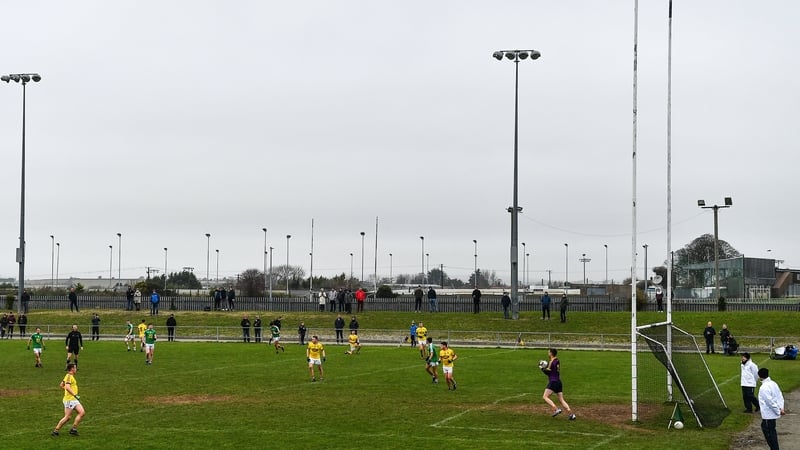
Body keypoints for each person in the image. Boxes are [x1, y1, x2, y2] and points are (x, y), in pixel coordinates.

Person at [541, 348, 576, 420]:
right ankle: (572, 414)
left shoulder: (551, 362)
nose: (548, 353)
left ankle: (556, 409)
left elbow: (548, 372)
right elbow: (552, 371)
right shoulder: (557, 360)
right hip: (559, 382)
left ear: (551, 353)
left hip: (553, 382)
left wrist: (542, 368)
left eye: (548, 352)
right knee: (561, 400)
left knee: (545, 397)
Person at [52, 363, 85, 437]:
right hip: (70, 400)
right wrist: (74, 394)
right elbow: (67, 387)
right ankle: (55, 431)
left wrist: (70, 392)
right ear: (72, 369)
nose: (76, 369)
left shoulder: (68, 376)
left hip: (73, 399)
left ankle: (73, 429)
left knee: (82, 412)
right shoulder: (69, 376)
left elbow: (61, 385)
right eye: (75, 368)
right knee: (67, 417)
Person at [757, 367, 785, 450]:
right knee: (771, 430)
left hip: (768, 414)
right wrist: (781, 408)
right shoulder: (774, 383)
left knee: (769, 433)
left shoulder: (764, 387)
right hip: (772, 413)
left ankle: (774, 448)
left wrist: (778, 411)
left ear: (760, 376)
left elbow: (769, 402)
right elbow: (779, 396)